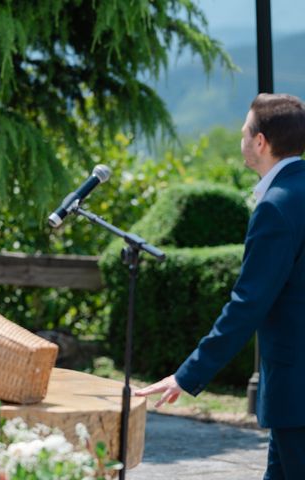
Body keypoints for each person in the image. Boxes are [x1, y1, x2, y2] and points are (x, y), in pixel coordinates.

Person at [135, 93, 305, 480]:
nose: (241, 139)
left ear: (260, 142)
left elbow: (248, 304)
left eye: (245, 132)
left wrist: (187, 375)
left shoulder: (276, 206)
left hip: (297, 389)